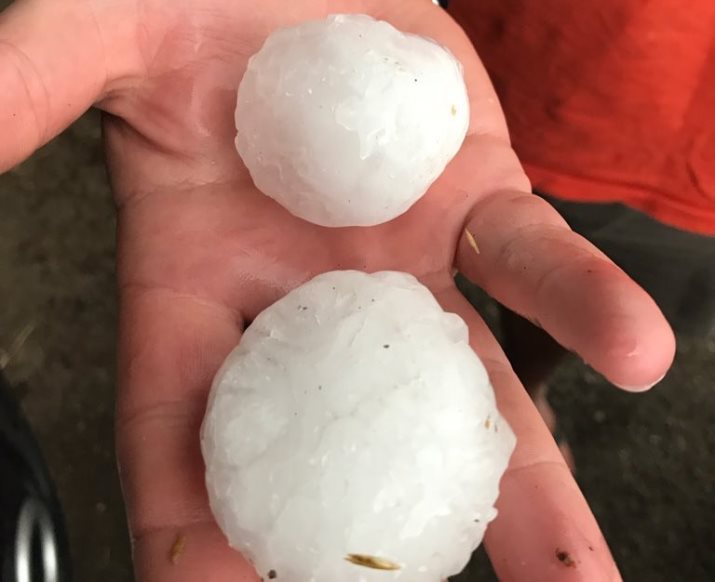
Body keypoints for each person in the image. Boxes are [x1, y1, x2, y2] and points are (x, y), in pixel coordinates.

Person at [0, 0, 680, 580]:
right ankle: (533, 386)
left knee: (569, 289)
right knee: (564, 279)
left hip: (683, 158)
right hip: (552, 57)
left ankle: (533, 385)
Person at [449, 0, 715, 459]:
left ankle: (525, 389)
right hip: (560, 70)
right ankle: (523, 385)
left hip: (695, 160)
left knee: (613, 304)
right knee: (543, 264)